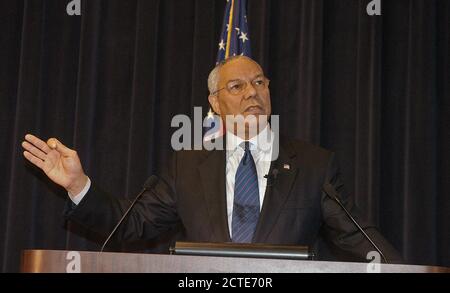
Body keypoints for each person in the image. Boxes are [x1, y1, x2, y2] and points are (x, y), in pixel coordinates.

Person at [22, 56, 402, 262]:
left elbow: (359, 237)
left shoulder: (314, 164)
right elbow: (129, 225)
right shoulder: (187, 166)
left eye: (259, 82)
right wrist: (77, 185)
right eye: (237, 86)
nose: (252, 92)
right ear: (216, 104)